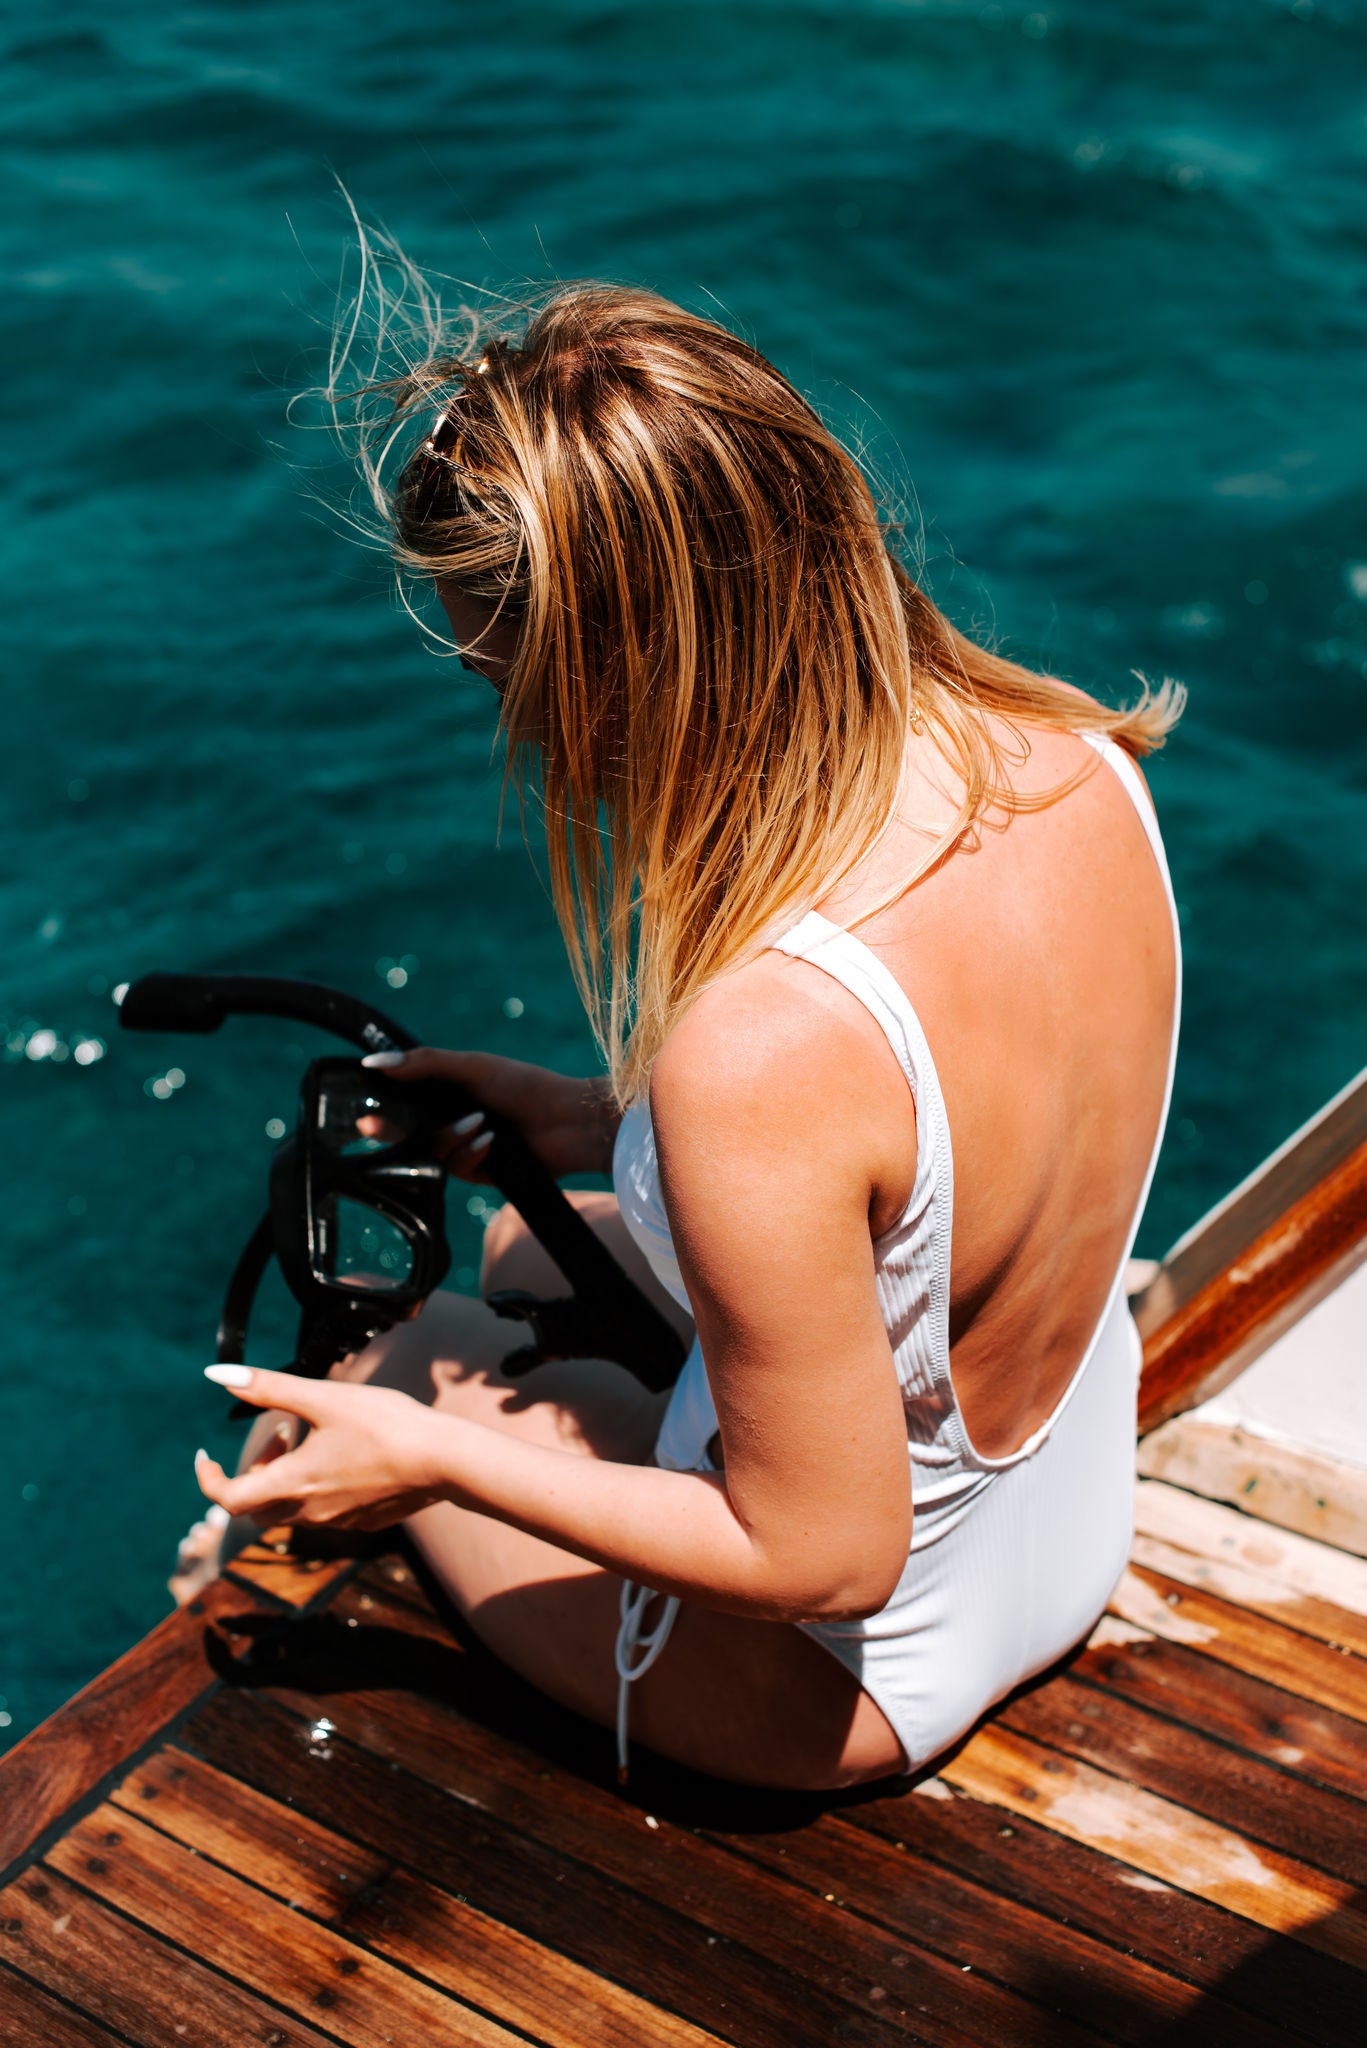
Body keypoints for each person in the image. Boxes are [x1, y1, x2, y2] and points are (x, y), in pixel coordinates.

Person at [189, 281, 1181, 1792]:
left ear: (619, 673)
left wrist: (428, 1456)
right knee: (533, 1250)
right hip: (1069, 1510)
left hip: (856, 1676)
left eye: (505, 676)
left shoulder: (757, 1046)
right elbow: (930, 1146)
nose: (511, 728)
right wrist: (582, 1118)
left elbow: (826, 1554)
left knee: (412, 1350)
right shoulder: (1076, 762)